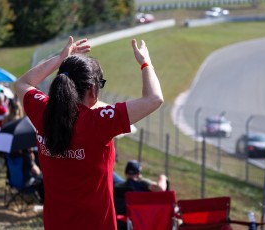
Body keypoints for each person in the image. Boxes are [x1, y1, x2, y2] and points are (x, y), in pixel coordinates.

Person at [14, 36, 163, 230]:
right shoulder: (97, 122)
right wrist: (145, 63)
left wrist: (61, 58)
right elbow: (154, 99)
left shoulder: (42, 111)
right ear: (93, 89)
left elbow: (22, 83)